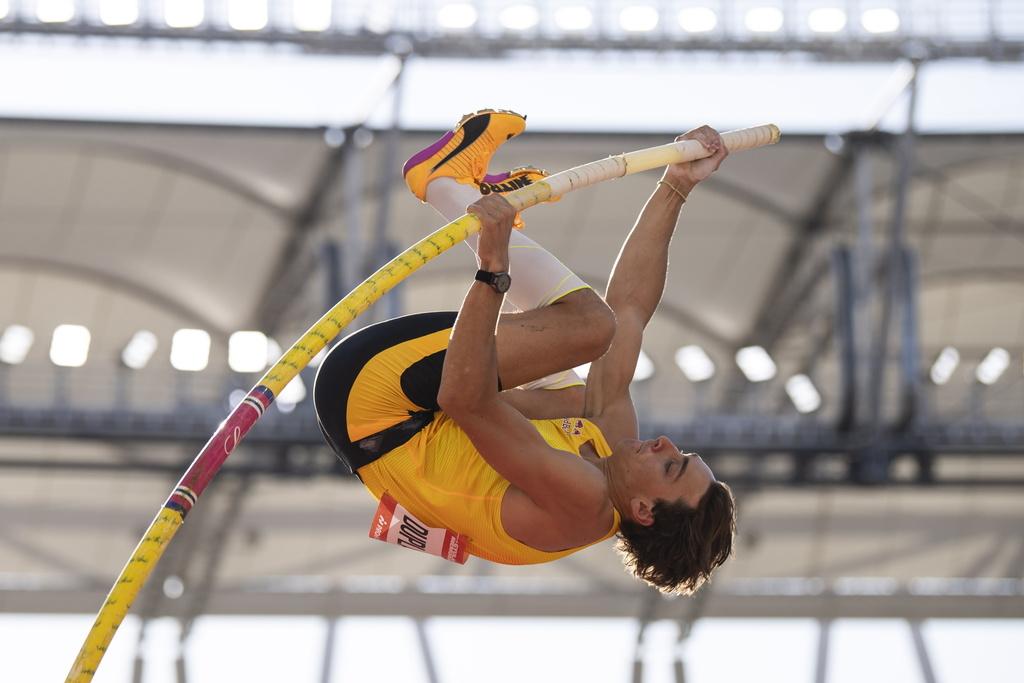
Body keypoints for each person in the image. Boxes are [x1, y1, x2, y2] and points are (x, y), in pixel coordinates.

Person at [314, 109, 736, 594]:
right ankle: (465, 194)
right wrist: (677, 184)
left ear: (643, 510)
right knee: (590, 368)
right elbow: (631, 308)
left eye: (671, 466)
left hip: (374, 406)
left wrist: (493, 269)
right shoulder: (613, 444)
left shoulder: (585, 505)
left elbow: (464, 399)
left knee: (590, 328)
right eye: (682, 452)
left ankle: (444, 184)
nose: (665, 443)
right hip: (425, 412)